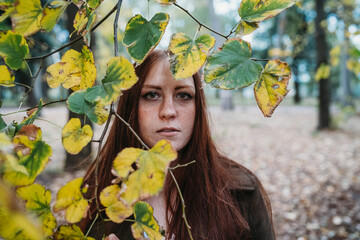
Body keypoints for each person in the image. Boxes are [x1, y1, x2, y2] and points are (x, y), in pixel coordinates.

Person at [79, 50, 275, 240]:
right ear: (130, 106)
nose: (168, 111)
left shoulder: (240, 191)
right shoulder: (94, 198)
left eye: (183, 95)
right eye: (151, 95)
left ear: (197, 107)